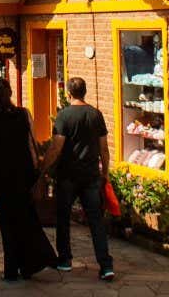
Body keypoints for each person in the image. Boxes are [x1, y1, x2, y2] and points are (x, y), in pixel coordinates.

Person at [0, 78, 57, 281]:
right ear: (10, 94)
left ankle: (11, 269)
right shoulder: (24, 113)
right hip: (24, 172)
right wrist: (36, 170)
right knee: (26, 216)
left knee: (7, 220)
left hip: (2, 174)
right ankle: (30, 263)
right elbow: (32, 144)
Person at [39, 77, 114, 281]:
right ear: (85, 91)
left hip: (68, 175)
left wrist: (44, 168)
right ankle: (105, 264)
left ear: (69, 93)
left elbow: (56, 147)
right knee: (96, 221)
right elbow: (104, 148)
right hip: (90, 175)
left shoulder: (64, 116)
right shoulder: (95, 114)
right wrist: (105, 173)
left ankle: (65, 259)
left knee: (63, 218)